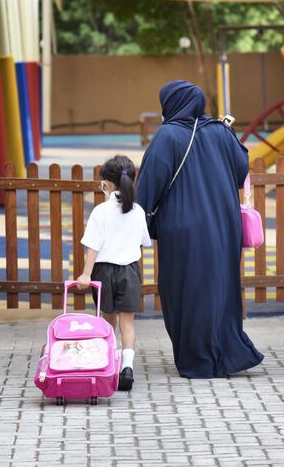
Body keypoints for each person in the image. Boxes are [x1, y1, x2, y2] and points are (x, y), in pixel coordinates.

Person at [136, 80, 263, 379]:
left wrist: (140, 221)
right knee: (221, 288)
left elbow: (149, 185)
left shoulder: (168, 135)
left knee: (185, 291)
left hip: (183, 229)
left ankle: (198, 359)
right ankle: (227, 354)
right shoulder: (220, 131)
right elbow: (241, 168)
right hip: (223, 224)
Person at [77, 155, 152, 391]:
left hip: (104, 272)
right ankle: (127, 368)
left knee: (107, 322)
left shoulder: (101, 212)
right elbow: (143, 242)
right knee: (127, 324)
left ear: (107, 184)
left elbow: (93, 247)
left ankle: (108, 365)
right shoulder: (138, 211)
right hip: (129, 271)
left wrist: (86, 275)